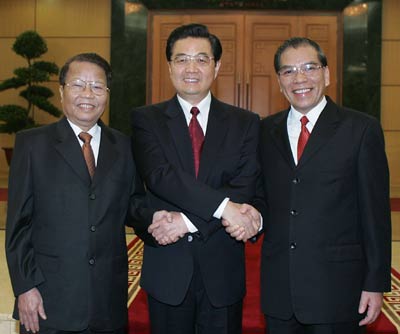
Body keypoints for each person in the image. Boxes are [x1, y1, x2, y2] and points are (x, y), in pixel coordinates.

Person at [5, 53, 164, 334]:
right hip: (48, 300)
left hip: (108, 301)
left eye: (97, 86)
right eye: (78, 85)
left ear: (107, 93)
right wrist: (25, 286)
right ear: (62, 90)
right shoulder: (32, 145)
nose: (88, 94)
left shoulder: (125, 147)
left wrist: (159, 221)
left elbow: (133, 204)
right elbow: (18, 226)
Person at [130, 23, 261, 334]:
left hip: (223, 272)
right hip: (168, 272)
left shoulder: (245, 123)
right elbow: (161, 176)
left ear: (216, 66)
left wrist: (186, 223)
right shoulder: (146, 120)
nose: (192, 68)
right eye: (182, 59)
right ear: (169, 66)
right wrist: (224, 208)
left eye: (202, 59)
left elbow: (244, 186)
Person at [255, 37, 392, 334]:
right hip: (280, 288)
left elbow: (375, 213)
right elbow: (260, 196)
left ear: (327, 74)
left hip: (338, 289)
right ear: (279, 82)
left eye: (309, 68)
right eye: (289, 71)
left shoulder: (361, 129)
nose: (300, 78)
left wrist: (375, 283)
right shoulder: (264, 130)